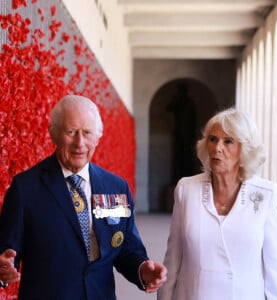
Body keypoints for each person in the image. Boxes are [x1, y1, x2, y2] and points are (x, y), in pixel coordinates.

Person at [0, 95, 167, 299]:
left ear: (97, 137)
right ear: (53, 134)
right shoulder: (25, 188)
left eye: (87, 133)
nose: (80, 143)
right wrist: (4, 268)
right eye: (71, 132)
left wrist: (142, 270)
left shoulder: (115, 187)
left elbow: (124, 246)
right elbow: (7, 251)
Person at [157, 107, 277, 300]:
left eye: (228, 141)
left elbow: (273, 269)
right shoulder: (186, 190)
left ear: (244, 149)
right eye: (213, 139)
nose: (217, 148)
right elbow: (172, 259)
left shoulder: (267, 194)